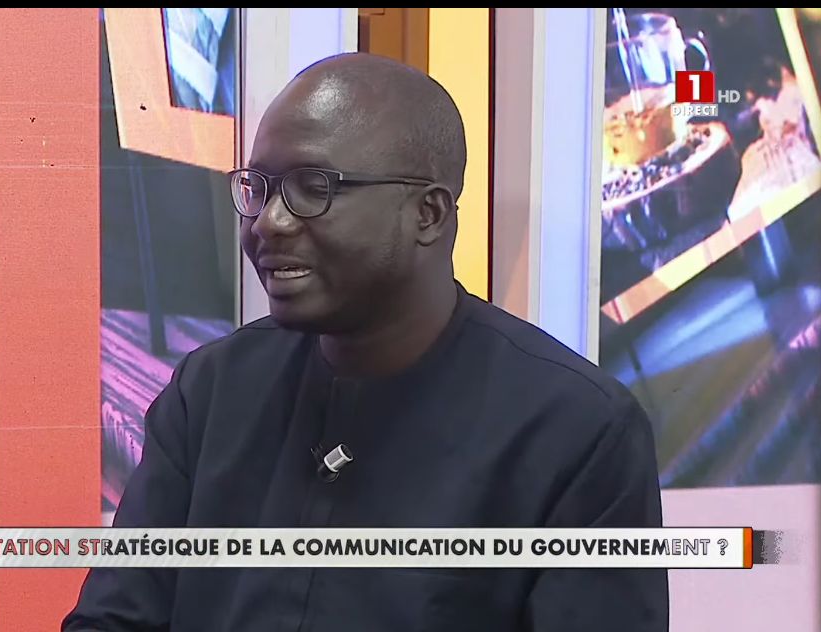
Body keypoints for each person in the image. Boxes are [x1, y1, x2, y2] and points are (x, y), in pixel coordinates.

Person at [64, 52, 668, 632]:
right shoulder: (211, 390)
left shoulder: (578, 433)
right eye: (258, 188)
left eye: (312, 187)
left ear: (428, 214)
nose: (269, 222)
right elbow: (113, 618)